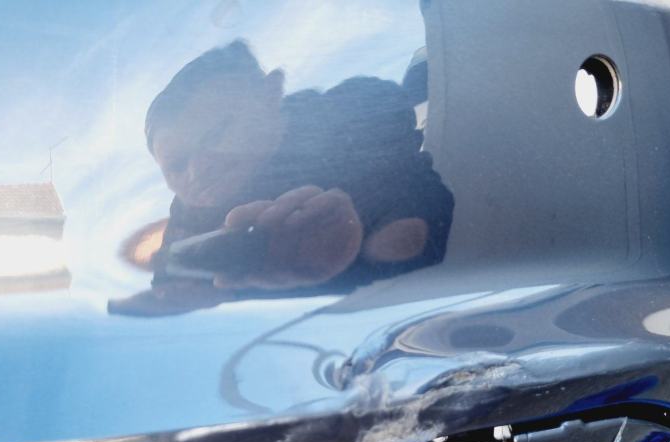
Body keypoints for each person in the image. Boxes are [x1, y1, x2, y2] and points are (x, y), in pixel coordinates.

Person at [112, 40, 453, 314]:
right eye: (176, 165)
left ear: (270, 93)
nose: (199, 169)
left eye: (216, 134)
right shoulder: (188, 214)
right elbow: (172, 290)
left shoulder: (352, 120)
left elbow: (419, 204)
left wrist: (362, 247)